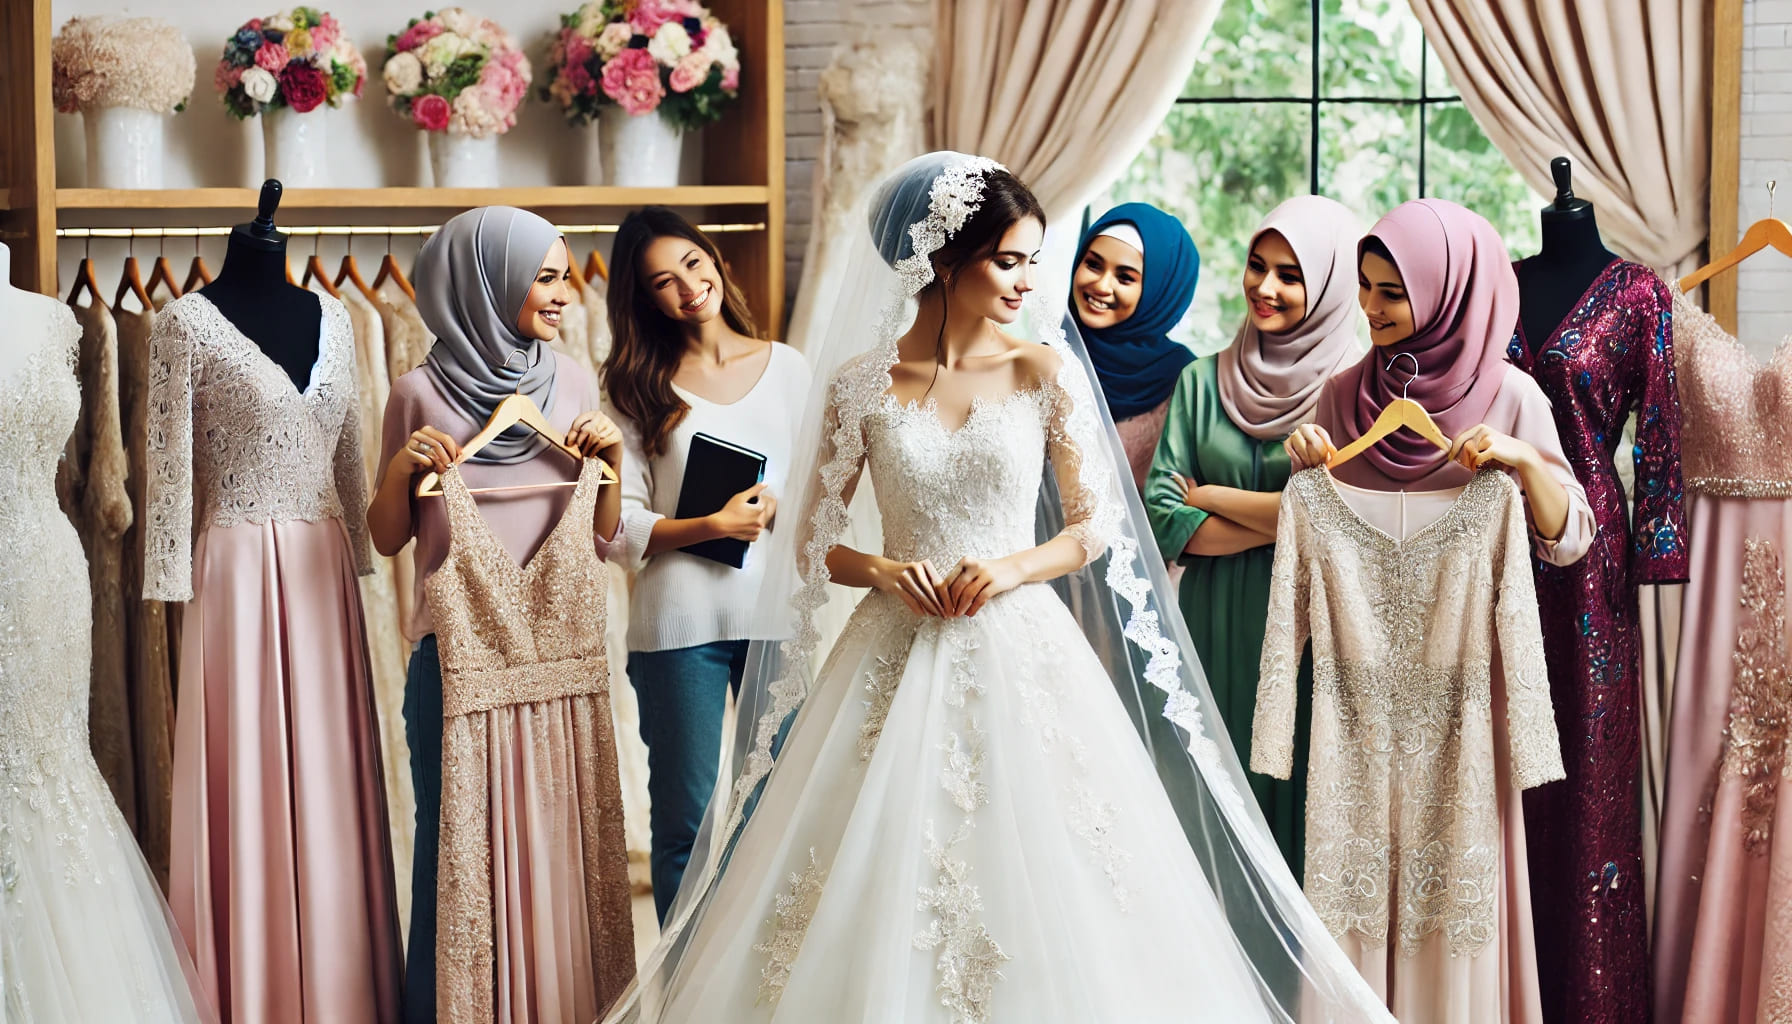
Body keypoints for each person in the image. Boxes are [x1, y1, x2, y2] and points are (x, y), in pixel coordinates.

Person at [598, 152, 1392, 1024]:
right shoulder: (863, 383)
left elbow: (1094, 529)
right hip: (890, 646)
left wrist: (1011, 566)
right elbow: (810, 547)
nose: (1027, 282)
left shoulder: (1044, 373)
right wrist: (889, 571)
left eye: (1031, 260)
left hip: (1023, 644)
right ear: (945, 261)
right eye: (1007, 260)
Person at [367, 206, 631, 1022]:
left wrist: (612, 461)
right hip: (455, 673)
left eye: (564, 274)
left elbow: (604, 530)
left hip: (558, 676)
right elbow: (385, 539)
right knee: (456, 869)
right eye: (544, 277)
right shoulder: (417, 394)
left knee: (560, 862)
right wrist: (398, 475)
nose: (565, 294)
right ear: (486, 284)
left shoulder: (577, 383)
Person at [601, 206, 811, 921]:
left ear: (715, 258)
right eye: (663, 281)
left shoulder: (789, 370)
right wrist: (711, 524)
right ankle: (684, 994)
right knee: (686, 826)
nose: (688, 287)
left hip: (776, 618)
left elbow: (825, 492)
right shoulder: (634, 384)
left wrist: (784, 504)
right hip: (677, 628)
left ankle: (768, 983)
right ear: (645, 299)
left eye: (693, 263)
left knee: (782, 810)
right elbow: (618, 529)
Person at [1144, 194, 1364, 874]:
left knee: (1301, 810)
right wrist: (1284, 514)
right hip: (1212, 627)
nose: (1264, 288)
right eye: (1256, 266)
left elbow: (1348, 519)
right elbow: (1160, 516)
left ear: (1330, 285)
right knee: (1209, 805)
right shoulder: (1200, 383)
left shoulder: (1354, 388)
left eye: (1291, 275)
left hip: (1312, 632)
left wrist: (1209, 497)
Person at [1068, 202, 1199, 488]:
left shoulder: (1184, 378)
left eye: (1125, 277)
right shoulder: (1051, 354)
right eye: (1093, 264)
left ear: (1158, 292)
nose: (1102, 285)